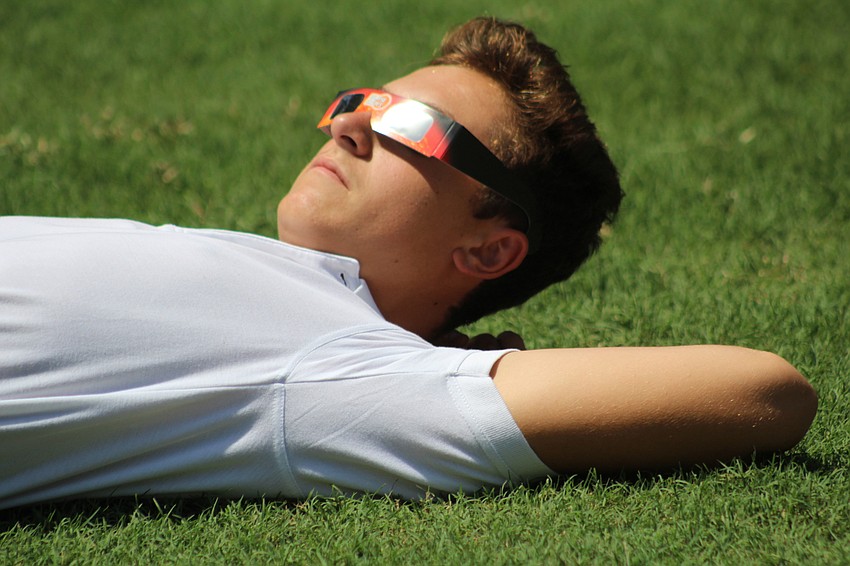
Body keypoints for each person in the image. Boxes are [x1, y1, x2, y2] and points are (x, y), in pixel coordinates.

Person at [0, 17, 816, 509]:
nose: (346, 127)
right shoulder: (287, 294)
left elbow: (766, 393)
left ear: (489, 249)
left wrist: (464, 369)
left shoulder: (337, 366)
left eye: (415, 128)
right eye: (362, 101)